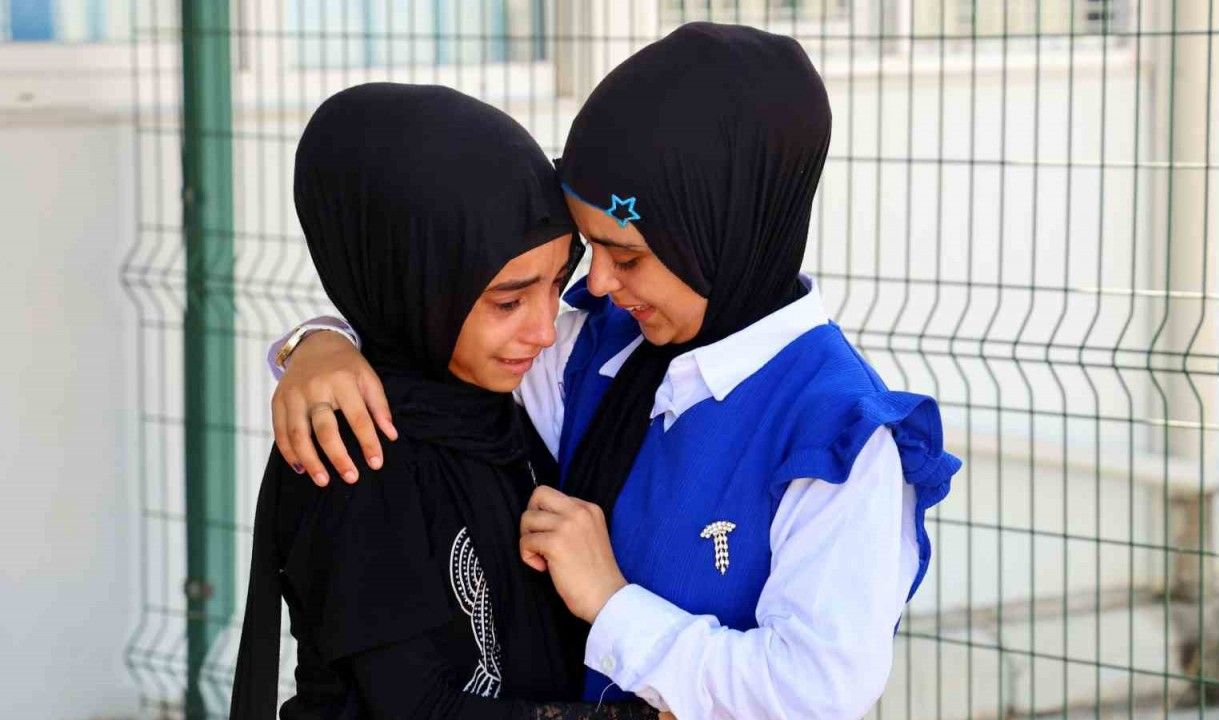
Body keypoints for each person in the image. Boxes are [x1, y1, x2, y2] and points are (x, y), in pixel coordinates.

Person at [268, 24, 961, 719]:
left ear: (717, 233)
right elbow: (433, 324)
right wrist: (319, 344)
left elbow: (812, 692)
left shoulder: (840, 440)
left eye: (626, 257)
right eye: (590, 251)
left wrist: (612, 603)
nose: (596, 283)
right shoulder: (598, 349)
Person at [230, 82, 659, 720]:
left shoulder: (495, 406)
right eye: (509, 301)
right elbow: (412, 705)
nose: (545, 330)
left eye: (556, 284)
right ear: (416, 284)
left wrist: (314, 340)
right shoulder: (357, 453)